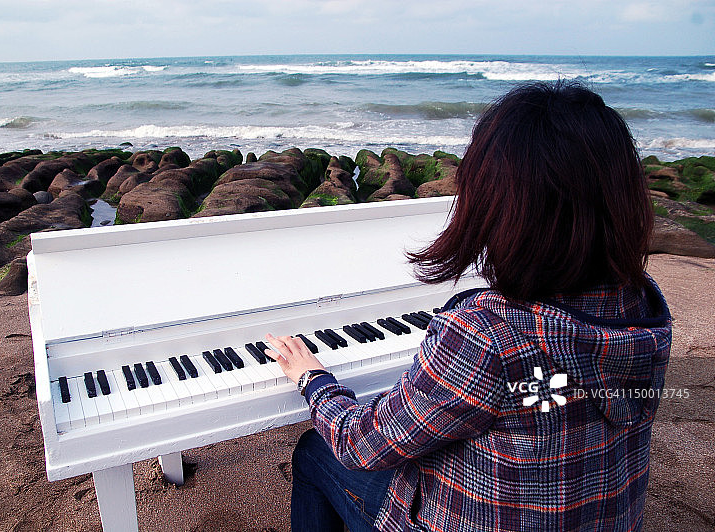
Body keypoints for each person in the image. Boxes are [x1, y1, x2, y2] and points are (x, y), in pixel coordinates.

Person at [264, 80, 672, 532]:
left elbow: (361, 444)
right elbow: (530, 400)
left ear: (500, 203)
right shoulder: (643, 303)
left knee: (314, 451)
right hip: (598, 515)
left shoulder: (488, 333)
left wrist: (313, 378)